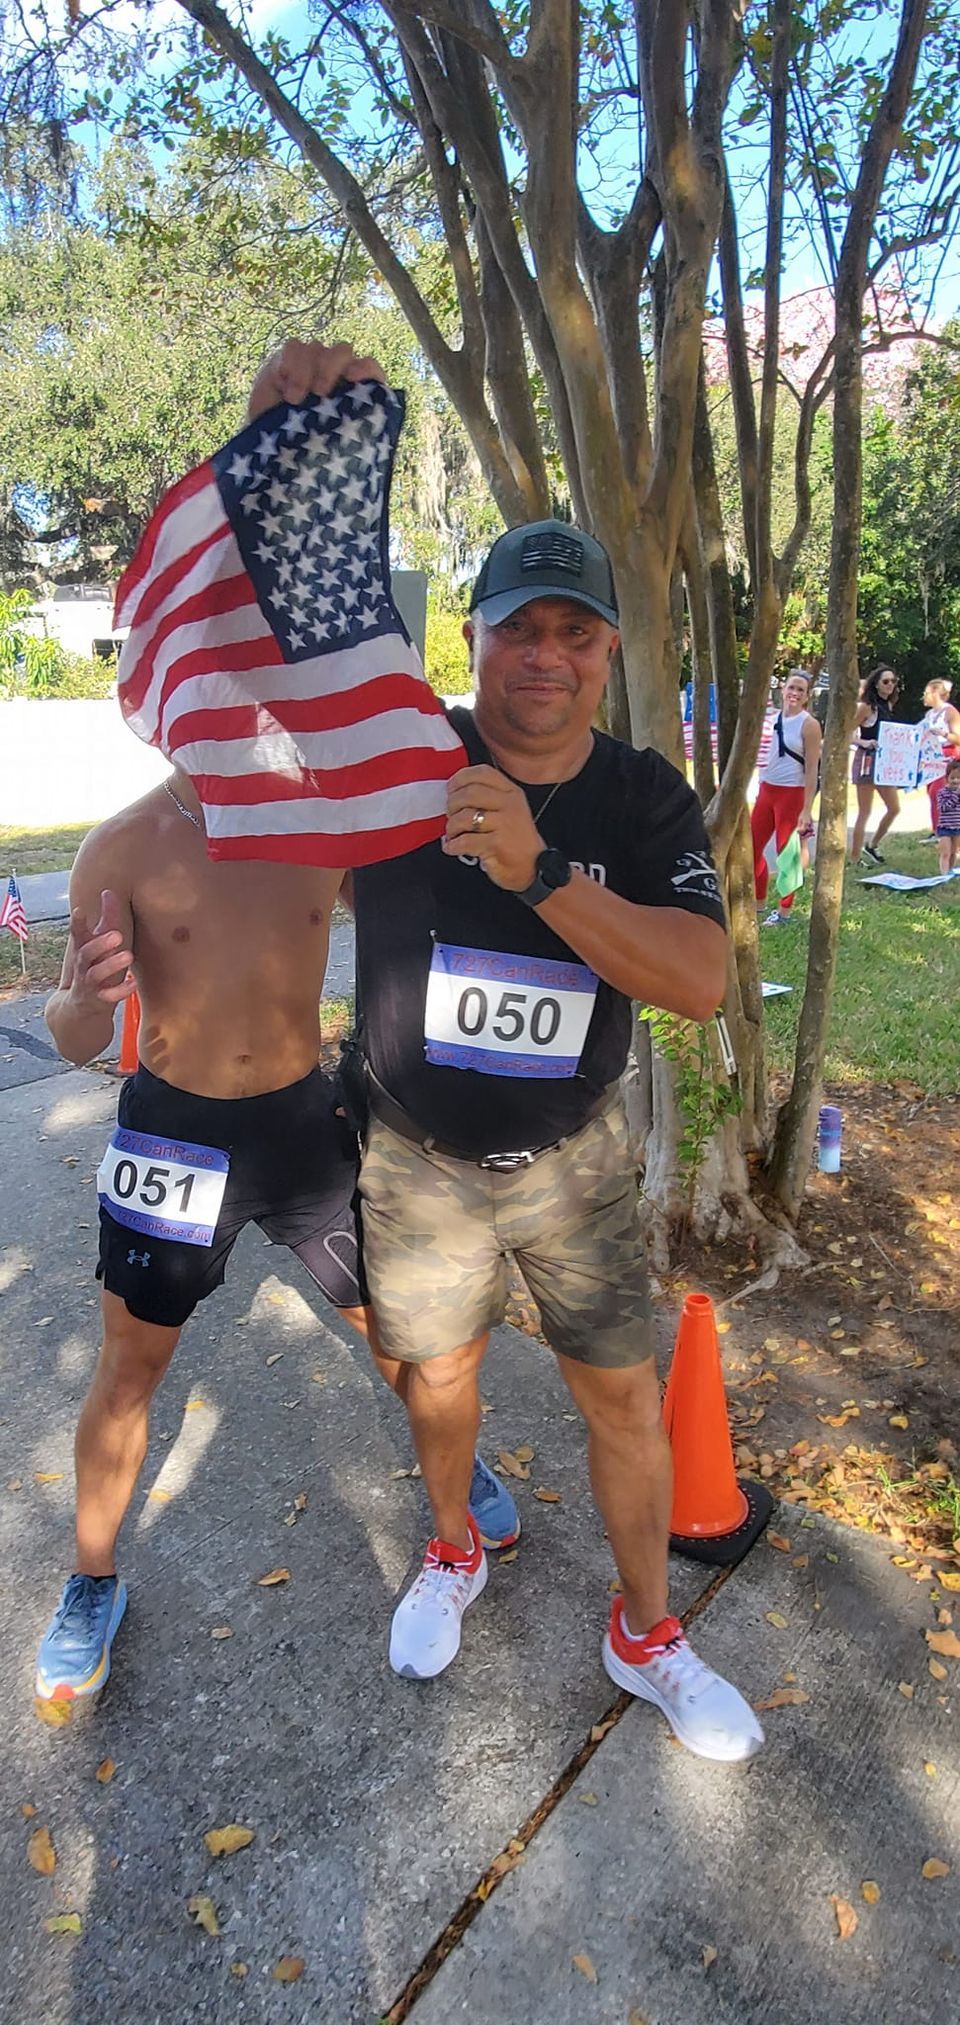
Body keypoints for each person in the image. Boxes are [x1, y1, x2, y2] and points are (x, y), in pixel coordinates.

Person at [234, 342, 767, 1758]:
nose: (546, 654)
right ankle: (457, 1544)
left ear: (605, 648)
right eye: (519, 627)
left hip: (575, 1164)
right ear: (476, 639)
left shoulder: (649, 801)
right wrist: (277, 460)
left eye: (574, 631)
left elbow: (701, 981)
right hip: (415, 1154)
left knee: (620, 1400)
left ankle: (645, 1629)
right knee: (443, 1380)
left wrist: (542, 874)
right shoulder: (404, 760)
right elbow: (284, 657)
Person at [33, 353, 518, 1708]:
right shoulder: (122, 848)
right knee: (132, 1369)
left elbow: (442, 873)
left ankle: (453, 1470)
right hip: (174, 1129)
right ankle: (90, 1577)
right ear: (174, 678)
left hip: (309, 1122)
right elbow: (77, 1032)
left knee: (391, 1329)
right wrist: (82, 989)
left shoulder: (326, 814)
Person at [750, 669, 821, 926]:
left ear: (806, 696)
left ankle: (784, 911)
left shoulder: (809, 724)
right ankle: (758, 904)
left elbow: (812, 767)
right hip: (767, 789)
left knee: (787, 853)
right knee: (752, 847)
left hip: (792, 792)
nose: (794, 693)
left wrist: (806, 808)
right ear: (783, 689)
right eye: (792, 687)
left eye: (800, 690)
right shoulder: (771, 719)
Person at [849, 665, 901, 864]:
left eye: (893, 681)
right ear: (876, 684)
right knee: (865, 811)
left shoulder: (887, 706)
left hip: (885, 763)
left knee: (894, 808)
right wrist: (864, 742)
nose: (890, 685)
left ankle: (871, 845)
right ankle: (854, 858)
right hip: (867, 761)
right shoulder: (867, 706)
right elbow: (848, 732)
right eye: (886, 681)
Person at [919, 679, 960, 838]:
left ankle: (946, 830)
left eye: (927, 693)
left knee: (940, 792)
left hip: (947, 754)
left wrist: (943, 734)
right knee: (931, 792)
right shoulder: (929, 714)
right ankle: (936, 829)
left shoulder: (950, 712)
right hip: (931, 756)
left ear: (936, 693)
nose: (924, 696)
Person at [935, 756, 960, 874]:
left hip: (957, 828)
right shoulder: (942, 793)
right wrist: (955, 795)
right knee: (945, 853)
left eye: (958, 778)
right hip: (945, 828)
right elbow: (943, 808)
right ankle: (943, 875)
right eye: (952, 778)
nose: (956, 781)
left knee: (953, 852)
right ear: (947, 778)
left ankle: (950, 871)